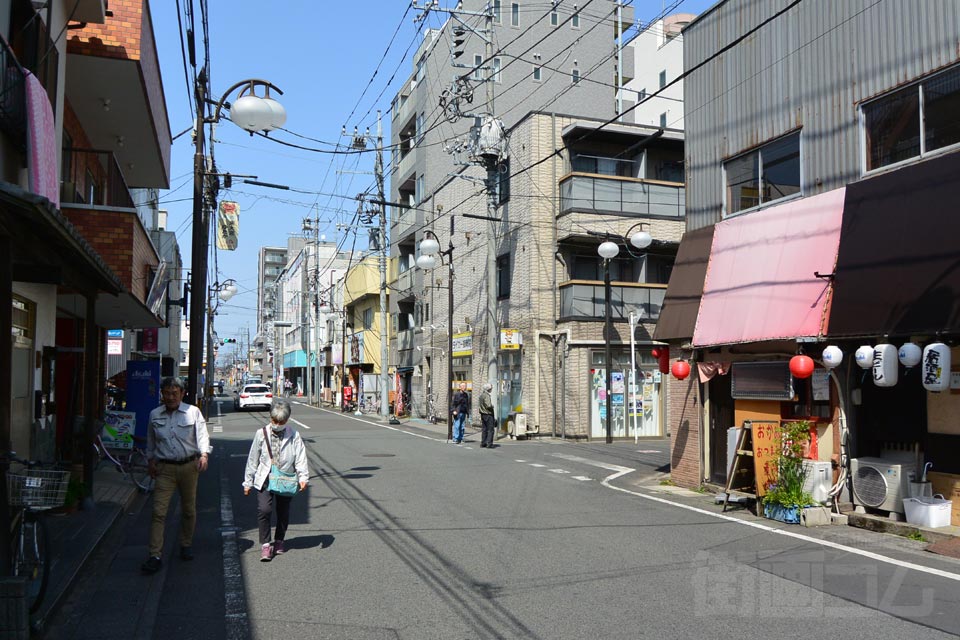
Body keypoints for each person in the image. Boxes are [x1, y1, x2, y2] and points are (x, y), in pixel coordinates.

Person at [142, 377, 212, 574]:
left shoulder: (193, 412)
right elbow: (151, 440)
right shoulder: (154, 414)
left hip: (189, 466)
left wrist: (204, 455)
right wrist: (150, 460)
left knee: (188, 509)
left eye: (175, 393)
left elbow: (202, 435)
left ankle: (186, 543)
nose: (171, 397)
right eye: (167, 393)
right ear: (162, 394)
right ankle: (155, 554)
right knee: (159, 512)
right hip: (164, 469)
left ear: (182, 394)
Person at [243, 398, 309, 562]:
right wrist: (247, 482)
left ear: (287, 420)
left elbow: (300, 458)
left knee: (283, 511)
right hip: (265, 478)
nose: (277, 424)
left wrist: (303, 477)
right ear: (270, 417)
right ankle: (266, 544)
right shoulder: (261, 433)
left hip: (286, 478)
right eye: (275, 420)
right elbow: (253, 458)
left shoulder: (294, 435)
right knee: (264, 509)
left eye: (281, 421)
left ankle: (279, 540)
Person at [478, 383, 496, 448]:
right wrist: (492, 406)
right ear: (488, 389)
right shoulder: (487, 395)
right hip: (488, 414)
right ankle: (489, 443)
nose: (492, 389)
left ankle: (483, 442)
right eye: (491, 388)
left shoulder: (481, 395)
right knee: (490, 429)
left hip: (483, 414)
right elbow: (488, 405)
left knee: (484, 429)